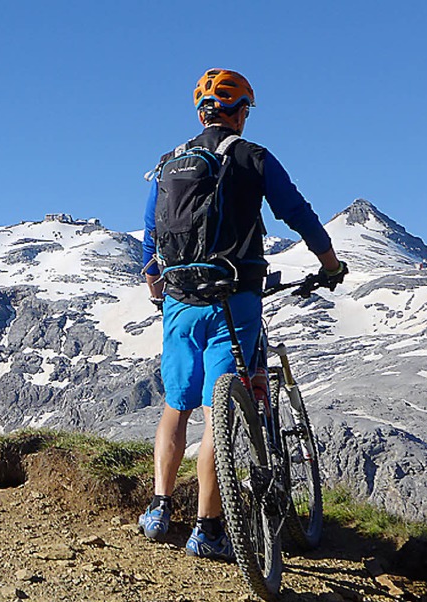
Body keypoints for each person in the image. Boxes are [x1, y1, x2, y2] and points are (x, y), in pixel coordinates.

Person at [138, 68, 347, 559]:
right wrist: (328, 263)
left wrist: (158, 287)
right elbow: (295, 211)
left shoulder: (170, 163)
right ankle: (209, 530)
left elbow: (150, 236)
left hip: (179, 300)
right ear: (240, 112)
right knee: (220, 412)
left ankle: (159, 506)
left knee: (176, 404)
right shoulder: (254, 158)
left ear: (201, 111)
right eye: (247, 109)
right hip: (236, 297)